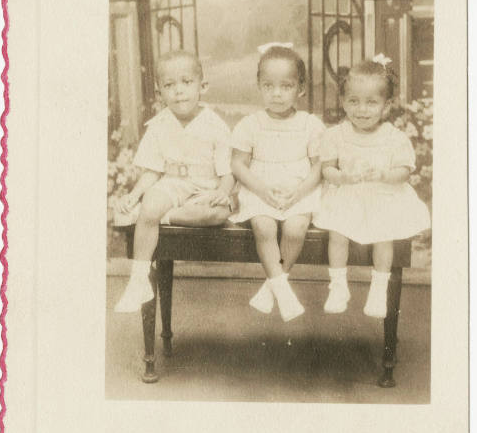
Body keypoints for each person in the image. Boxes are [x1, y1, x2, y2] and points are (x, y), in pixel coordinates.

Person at [114, 50, 234, 312]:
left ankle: (162, 216)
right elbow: (152, 171)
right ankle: (138, 279)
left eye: (186, 82)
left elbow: (227, 173)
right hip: (171, 185)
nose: (178, 91)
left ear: (203, 86)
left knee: (217, 214)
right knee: (151, 200)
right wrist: (134, 195)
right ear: (159, 92)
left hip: (205, 189)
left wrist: (223, 192)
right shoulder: (158, 126)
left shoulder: (215, 125)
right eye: (169, 85)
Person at [314, 54, 431, 318]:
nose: (361, 109)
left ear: (386, 105)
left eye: (371, 102)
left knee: (383, 233)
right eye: (353, 101)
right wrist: (341, 177)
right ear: (343, 101)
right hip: (347, 194)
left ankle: (379, 288)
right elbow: (327, 169)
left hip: (382, 195)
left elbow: (403, 172)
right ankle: (338, 285)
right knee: (337, 232)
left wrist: (383, 174)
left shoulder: (394, 137)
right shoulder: (336, 135)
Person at [230, 43, 325, 322]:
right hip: (260, 187)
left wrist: (299, 192)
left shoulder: (310, 124)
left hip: (299, 188)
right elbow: (238, 164)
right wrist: (261, 190)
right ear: (259, 86)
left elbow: (319, 166)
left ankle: (272, 287)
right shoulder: (250, 124)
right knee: (263, 226)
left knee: (296, 229)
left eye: (286, 86)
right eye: (268, 85)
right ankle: (282, 290)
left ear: (300, 88)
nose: (277, 93)